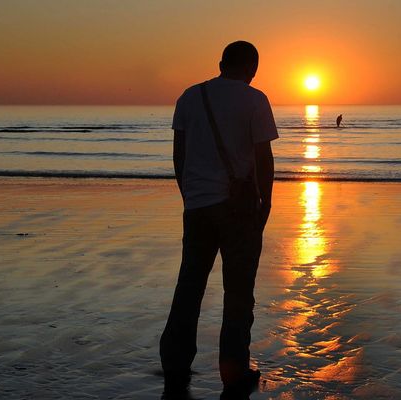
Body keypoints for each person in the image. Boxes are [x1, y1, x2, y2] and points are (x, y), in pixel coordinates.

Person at [159, 41, 278, 399]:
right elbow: (263, 159)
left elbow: (179, 156)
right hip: (238, 210)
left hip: (197, 207)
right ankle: (234, 371)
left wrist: (190, 196)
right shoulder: (255, 99)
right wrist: (265, 204)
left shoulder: (189, 97)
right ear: (253, 68)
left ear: (221, 62)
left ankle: (175, 363)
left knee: (189, 287)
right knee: (238, 292)